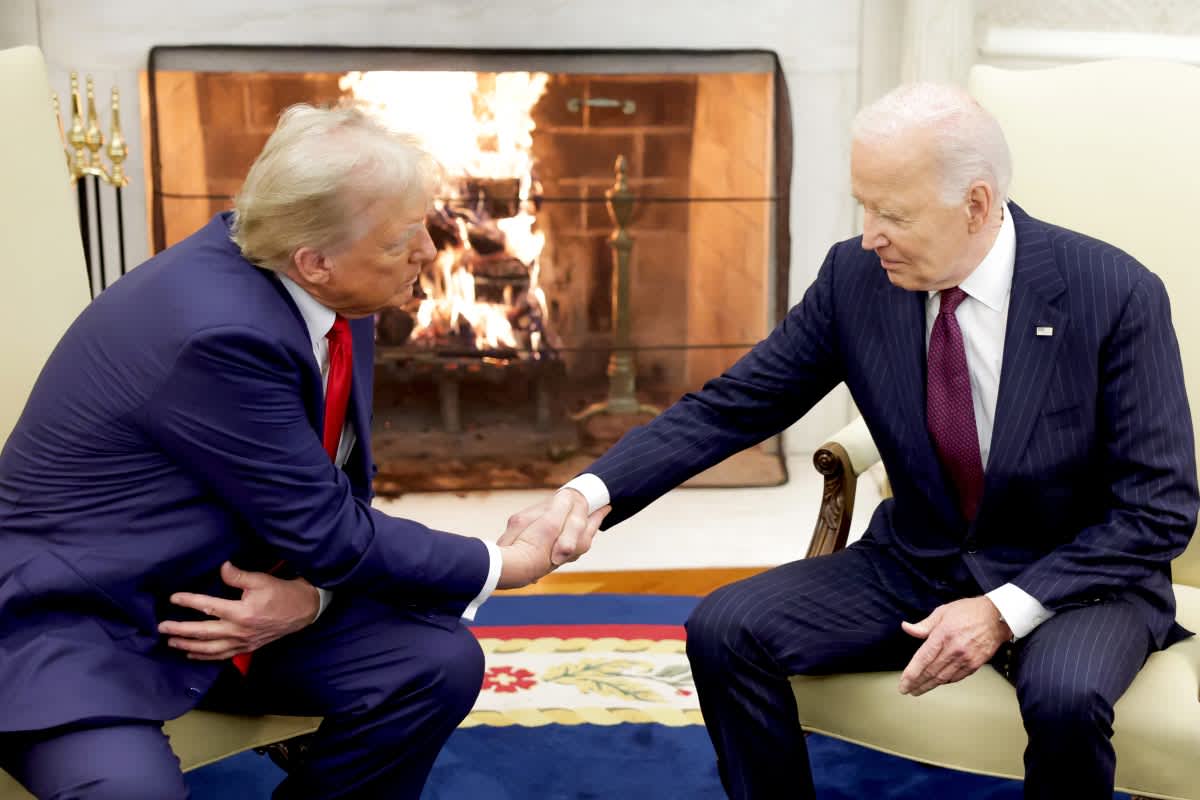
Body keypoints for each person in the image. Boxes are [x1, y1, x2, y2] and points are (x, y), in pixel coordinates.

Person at [503, 82, 1199, 799]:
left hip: (1077, 578)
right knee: (725, 629)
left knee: (1064, 699)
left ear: (978, 205)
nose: (869, 235)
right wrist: (588, 493)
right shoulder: (856, 280)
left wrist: (1002, 611)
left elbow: (1158, 509)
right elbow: (734, 406)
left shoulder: (1111, 292)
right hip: (918, 560)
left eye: (892, 213)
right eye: (863, 205)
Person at [0, 104, 605, 800]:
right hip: (88, 621)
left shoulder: (324, 276)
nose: (430, 255)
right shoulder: (218, 333)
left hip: (222, 590)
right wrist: (505, 563)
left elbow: (325, 500)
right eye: (403, 239)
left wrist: (311, 598)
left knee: (433, 664)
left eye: (425, 226)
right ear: (313, 261)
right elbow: (327, 526)